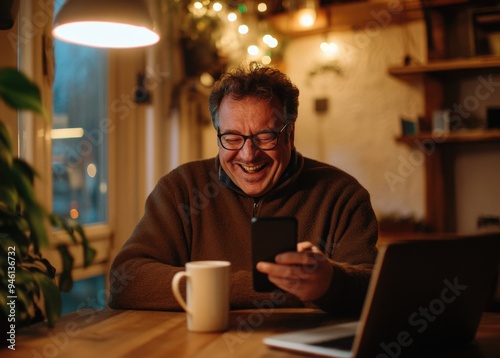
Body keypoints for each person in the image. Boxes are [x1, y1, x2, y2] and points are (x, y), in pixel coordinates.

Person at [108, 62, 378, 317]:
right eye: (232, 138)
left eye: (265, 137)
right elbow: (126, 281)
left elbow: (377, 291)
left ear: (289, 134)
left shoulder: (342, 194)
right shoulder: (180, 189)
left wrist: (330, 281)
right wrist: (263, 287)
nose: (249, 155)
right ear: (218, 135)